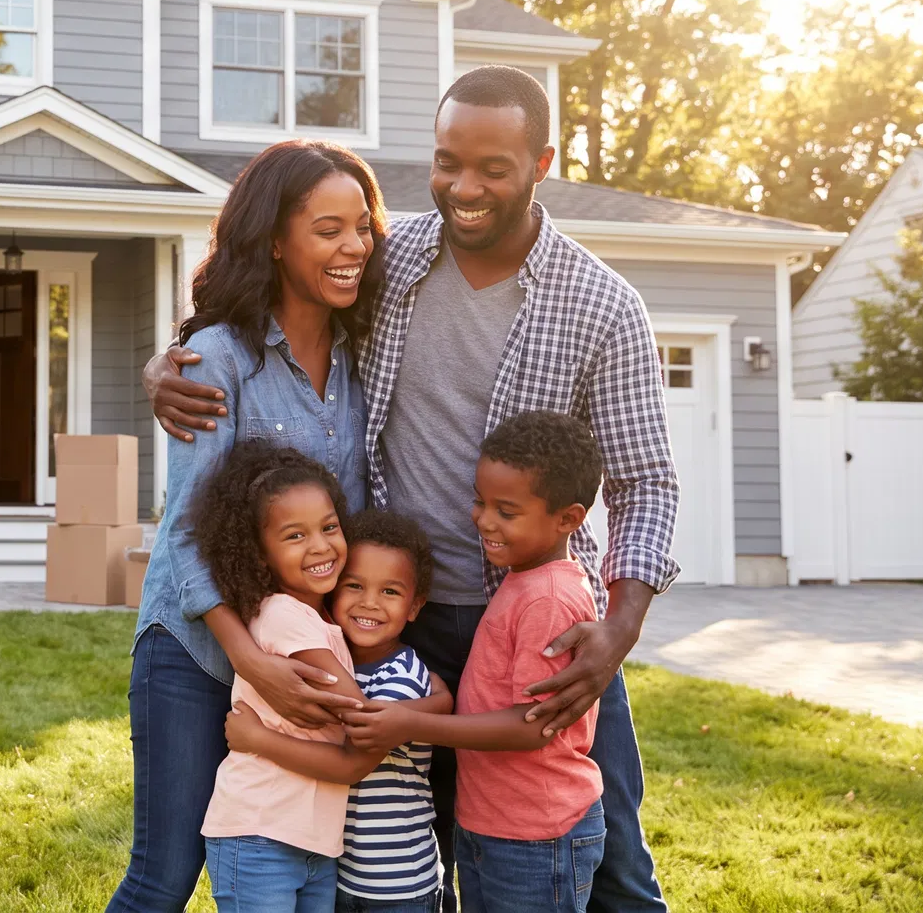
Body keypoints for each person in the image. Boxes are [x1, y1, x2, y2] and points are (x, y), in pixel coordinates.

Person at [144, 66, 678, 913]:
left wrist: (617, 629)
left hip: (538, 628)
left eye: (492, 169)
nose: (464, 187)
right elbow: (275, 289)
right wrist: (167, 365)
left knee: (603, 855)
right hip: (399, 621)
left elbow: (648, 482)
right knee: (398, 856)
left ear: (541, 163)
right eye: (446, 162)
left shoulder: (603, 306)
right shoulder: (390, 261)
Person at [109, 139, 391, 913]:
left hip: (299, 656)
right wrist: (251, 662)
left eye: (362, 226)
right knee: (165, 872)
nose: (353, 247)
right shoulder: (219, 358)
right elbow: (188, 533)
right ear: (274, 239)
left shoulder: (363, 361)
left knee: (287, 860)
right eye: (328, 229)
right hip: (198, 652)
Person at [346, 412, 612, 913]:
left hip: (536, 834)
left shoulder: (548, 598)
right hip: (491, 824)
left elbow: (532, 726)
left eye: (506, 511)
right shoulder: (521, 577)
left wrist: (413, 722)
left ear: (568, 519)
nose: (484, 520)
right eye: (479, 501)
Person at [226, 510, 453, 913]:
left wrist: (259, 739)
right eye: (355, 586)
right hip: (340, 874)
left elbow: (352, 760)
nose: (369, 602)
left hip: (396, 886)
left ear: (415, 606)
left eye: (390, 592)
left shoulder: (401, 677)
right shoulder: (337, 659)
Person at [191, 442, 364, 912]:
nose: (321, 546)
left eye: (329, 527)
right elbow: (363, 727)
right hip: (259, 834)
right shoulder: (286, 616)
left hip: (313, 842)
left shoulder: (320, 620)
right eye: (295, 536)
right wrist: (434, 704)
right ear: (259, 555)